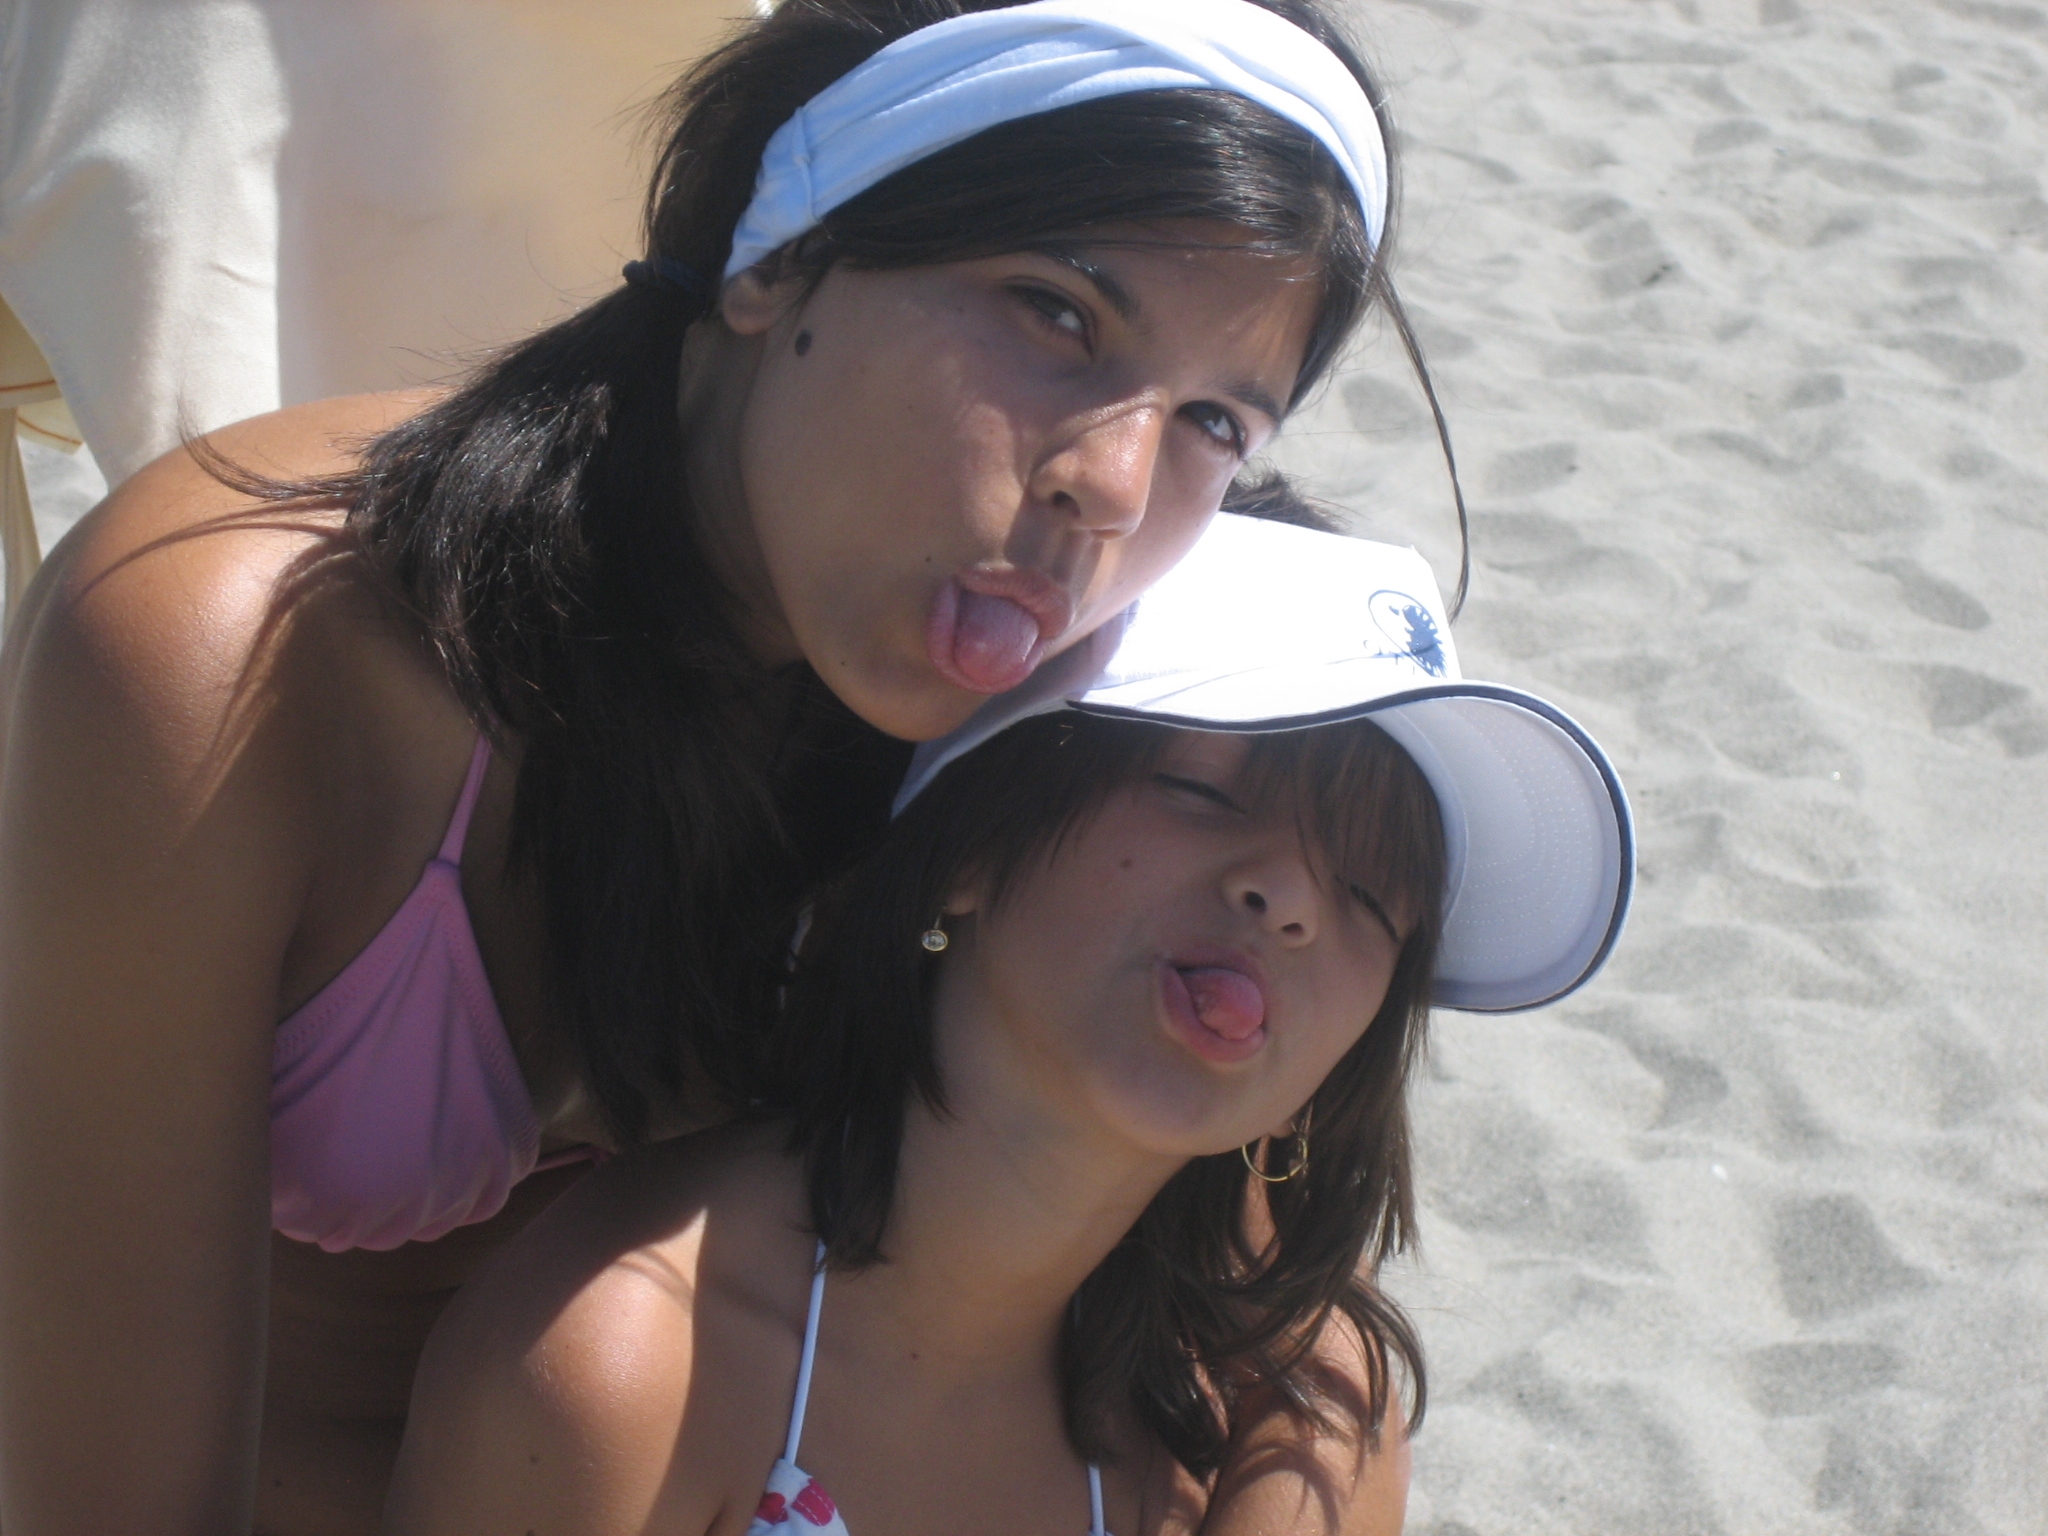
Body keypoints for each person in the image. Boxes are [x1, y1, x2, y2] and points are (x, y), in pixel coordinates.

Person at [0, 1, 1457, 1531]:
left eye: (1215, 418)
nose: (1110, 482)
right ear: (776, 257)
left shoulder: (1053, 696)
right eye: (1055, 312)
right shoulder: (239, 655)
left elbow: (1276, 1300)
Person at [382, 515, 1632, 1536]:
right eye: (1201, 791)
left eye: (1367, 888)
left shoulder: (1217, 1418)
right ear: (967, 847)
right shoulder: (629, 1368)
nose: (1289, 895)